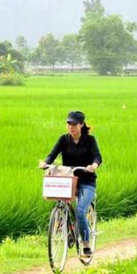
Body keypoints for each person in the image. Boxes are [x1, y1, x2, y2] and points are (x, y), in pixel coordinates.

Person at [38, 110, 102, 258]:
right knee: (61, 202)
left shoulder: (90, 140)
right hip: (69, 180)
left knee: (80, 211)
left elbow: (98, 157)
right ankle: (64, 225)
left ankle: (86, 244)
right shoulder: (63, 140)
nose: (70, 127)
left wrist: (93, 166)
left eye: (73, 124)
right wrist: (45, 163)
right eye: (68, 123)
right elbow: (52, 154)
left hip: (86, 182)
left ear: (81, 124)